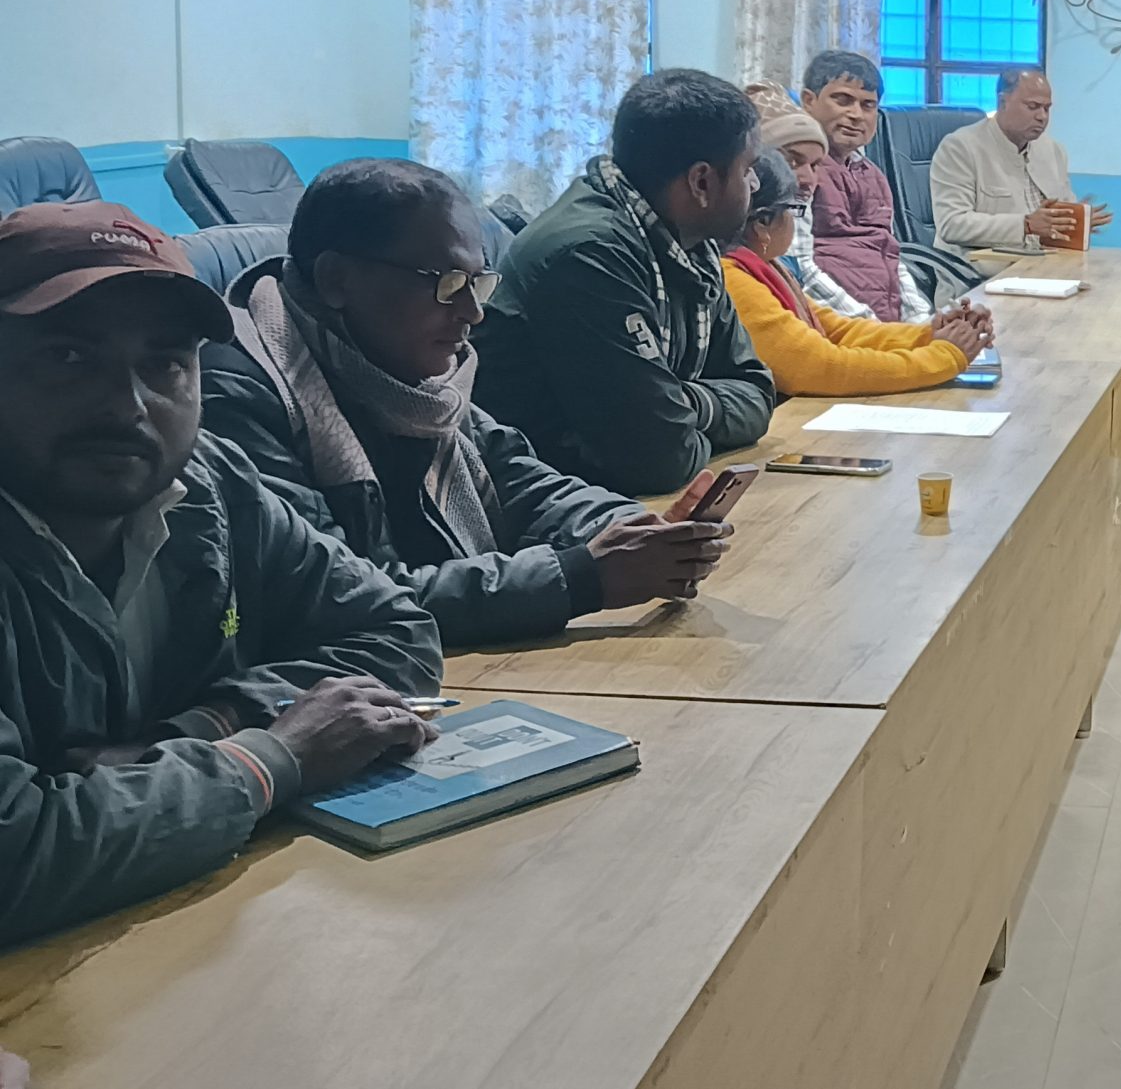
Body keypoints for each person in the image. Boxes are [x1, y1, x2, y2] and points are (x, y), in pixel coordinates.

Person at [0, 201, 443, 946]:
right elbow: (15, 853)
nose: (127, 406)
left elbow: (395, 629)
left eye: (165, 363)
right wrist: (269, 760)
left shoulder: (210, 482)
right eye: (68, 357)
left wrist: (208, 725)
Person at [200, 159, 735, 648]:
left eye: (478, 283)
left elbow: (522, 484)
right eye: (447, 283)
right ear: (336, 280)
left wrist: (639, 531)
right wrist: (582, 577)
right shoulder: (244, 395)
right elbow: (342, 599)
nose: (472, 312)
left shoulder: (412, 371)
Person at [474, 69, 777, 496]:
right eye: (748, 169)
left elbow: (758, 393)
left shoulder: (693, 249)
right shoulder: (589, 253)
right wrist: (680, 418)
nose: (755, 184)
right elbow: (659, 457)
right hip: (548, 510)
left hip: (621, 499)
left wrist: (685, 403)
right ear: (702, 182)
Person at [723, 147, 994, 397]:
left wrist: (930, 335)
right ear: (763, 223)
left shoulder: (765, 267)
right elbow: (817, 367)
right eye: (794, 210)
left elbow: (840, 332)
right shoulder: (733, 279)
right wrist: (944, 357)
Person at [930, 68, 1114, 252]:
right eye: (1033, 106)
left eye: (1047, 108)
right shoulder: (959, 148)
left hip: (1042, 261)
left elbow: (1058, 219)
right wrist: (1025, 225)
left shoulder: (1053, 150)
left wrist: (1076, 221)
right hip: (978, 265)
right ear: (1003, 102)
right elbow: (951, 224)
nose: (1042, 117)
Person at [797, 51, 915, 322]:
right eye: (843, 100)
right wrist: (869, 325)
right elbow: (798, 267)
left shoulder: (873, 175)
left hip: (881, 325)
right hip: (832, 326)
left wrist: (921, 323)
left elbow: (892, 257)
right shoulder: (797, 170)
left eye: (868, 105)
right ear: (808, 101)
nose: (856, 115)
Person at [741, 82, 870, 321]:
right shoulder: (736, 270)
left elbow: (802, 278)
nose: (808, 179)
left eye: (815, 165)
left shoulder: (798, 202)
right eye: (792, 162)